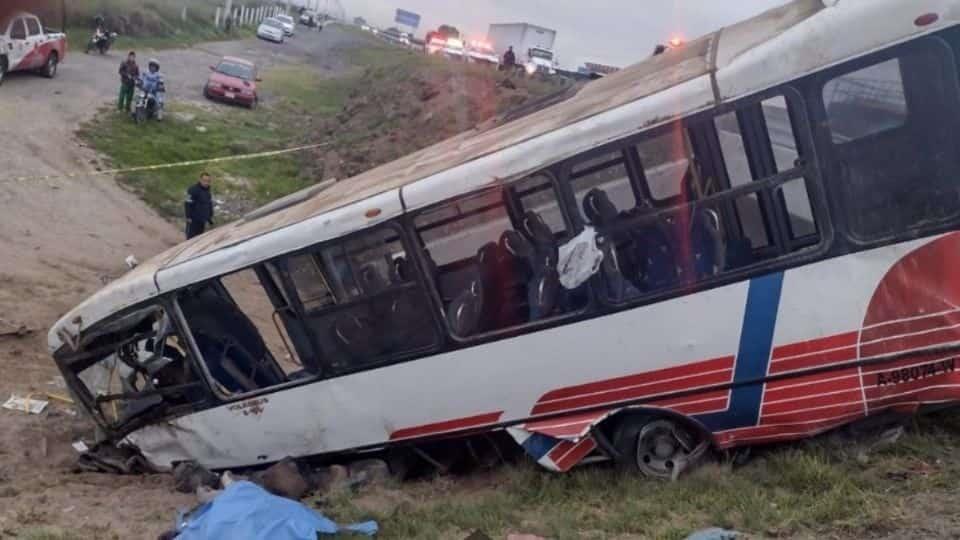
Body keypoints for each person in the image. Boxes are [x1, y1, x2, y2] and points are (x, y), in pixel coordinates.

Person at [185, 173, 214, 239]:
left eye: (208, 181)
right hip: (193, 220)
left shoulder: (208, 192)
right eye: (204, 180)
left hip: (202, 220)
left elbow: (209, 204)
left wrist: (209, 217)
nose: (206, 183)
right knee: (190, 238)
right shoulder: (192, 190)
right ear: (200, 180)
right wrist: (188, 216)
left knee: (199, 238)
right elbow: (187, 203)